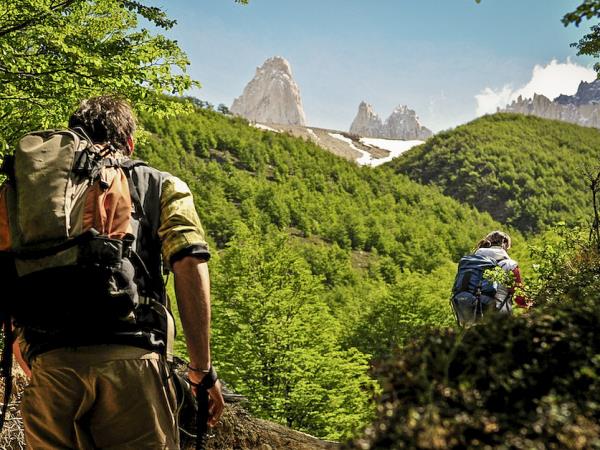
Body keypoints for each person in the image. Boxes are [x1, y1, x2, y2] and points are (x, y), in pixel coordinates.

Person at [9, 95, 224, 448]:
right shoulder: (159, 184)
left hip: (49, 367)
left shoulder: (31, 193)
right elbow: (189, 261)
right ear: (129, 142)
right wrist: (200, 369)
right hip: (130, 364)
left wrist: (27, 347)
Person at [473, 230, 528, 314]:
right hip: (499, 314)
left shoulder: (473, 261)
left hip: (471, 313)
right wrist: (531, 305)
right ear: (505, 244)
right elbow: (519, 296)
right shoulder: (510, 265)